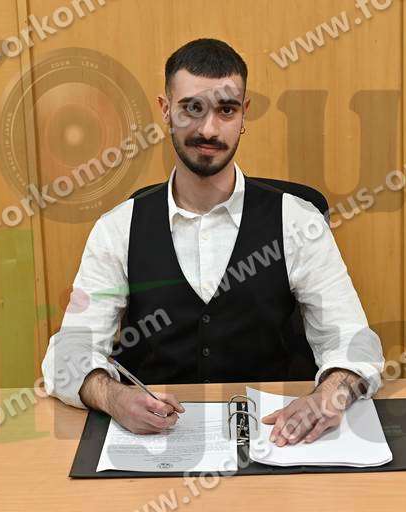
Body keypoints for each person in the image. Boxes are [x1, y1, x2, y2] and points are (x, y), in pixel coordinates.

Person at [42, 38, 384, 446]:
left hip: (274, 440)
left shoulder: (298, 221)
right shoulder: (118, 228)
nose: (208, 129)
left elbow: (354, 344)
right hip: (154, 444)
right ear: (165, 110)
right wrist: (114, 398)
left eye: (226, 110)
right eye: (192, 108)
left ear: (244, 114)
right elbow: (66, 357)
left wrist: (327, 398)